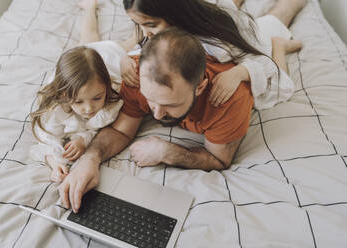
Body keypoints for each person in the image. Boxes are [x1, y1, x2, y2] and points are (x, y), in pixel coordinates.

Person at [59, 28, 255, 213]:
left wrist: (168, 152)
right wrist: (90, 159)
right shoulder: (136, 75)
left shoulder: (229, 100)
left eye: (171, 104)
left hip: (242, 37)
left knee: (273, 21)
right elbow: (120, 131)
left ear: (200, 87)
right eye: (150, 100)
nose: (158, 115)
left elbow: (219, 159)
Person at [120, 0, 306, 108]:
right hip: (222, 20)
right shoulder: (159, 32)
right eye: (139, 25)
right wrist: (124, 59)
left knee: (279, 15)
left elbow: (265, 64)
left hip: (253, 38)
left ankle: (279, 45)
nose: (145, 34)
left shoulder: (220, 44)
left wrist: (239, 73)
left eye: (151, 25)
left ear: (175, 16)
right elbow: (141, 49)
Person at [29, 0, 130, 183]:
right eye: (78, 102)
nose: (89, 108)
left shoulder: (112, 94)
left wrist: (83, 140)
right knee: (87, 39)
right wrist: (55, 162)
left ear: (106, 89)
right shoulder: (56, 106)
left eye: (97, 98)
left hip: (108, 58)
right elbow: (47, 140)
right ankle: (90, 6)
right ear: (64, 97)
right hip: (77, 68)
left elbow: (98, 127)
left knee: (132, 44)